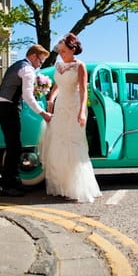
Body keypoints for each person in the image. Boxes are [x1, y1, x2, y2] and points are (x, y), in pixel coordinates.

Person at [40, 33, 102, 203]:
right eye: (59, 51)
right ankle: (62, 185)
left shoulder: (80, 66)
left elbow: (83, 90)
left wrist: (82, 111)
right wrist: (51, 98)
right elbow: (58, 85)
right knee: (58, 144)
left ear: (72, 49)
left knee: (73, 144)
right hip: (60, 107)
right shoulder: (59, 65)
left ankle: (76, 187)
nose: (61, 54)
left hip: (74, 106)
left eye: (64, 51)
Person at [0, 44, 53, 197]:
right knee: (14, 147)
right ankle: (8, 185)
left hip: (2, 106)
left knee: (14, 146)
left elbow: (5, 88)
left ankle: (15, 182)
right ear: (33, 56)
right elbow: (27, 96)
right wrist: (43, 113)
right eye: (40, 61)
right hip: (9, 108)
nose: (40, 64)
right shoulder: (27, 69)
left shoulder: (17, 65)